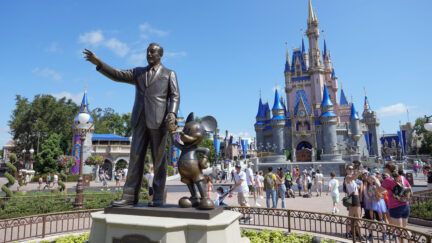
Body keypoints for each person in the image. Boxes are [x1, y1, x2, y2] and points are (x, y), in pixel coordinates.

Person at [84, 43, 180, 207]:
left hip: (159, 121)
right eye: (147, 51)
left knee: (158, 160)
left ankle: (157, 197)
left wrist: (172, 113)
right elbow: (117, 74)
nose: (149, 54)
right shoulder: (138, 72)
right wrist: (99, 63)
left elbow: (175, 96)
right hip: (139, 120)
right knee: (135, 157)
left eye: (153, 52)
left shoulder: (169, 73)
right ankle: (129, 196)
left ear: (160, 55)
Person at [375, 162, 411, 229]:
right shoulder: (402, 178)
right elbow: (410, 190)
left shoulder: (388, 180)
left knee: (399, 230)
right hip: (405, 205)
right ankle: (411, 239)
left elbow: (379, 191)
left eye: (385, 168)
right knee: (404, 228)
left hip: (395, 207)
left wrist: (376, 181)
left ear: (387, 169)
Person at [345, 165, 367, 240]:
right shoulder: (348, 177)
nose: (351, 170)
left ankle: (347, 234)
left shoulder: (351, 179)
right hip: (354, 198)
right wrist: (359, 173)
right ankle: (360, 236)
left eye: (352, 169)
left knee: (351, 217)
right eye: (349, 169)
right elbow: (352, 178)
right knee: (357, 218)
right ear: (346, 170)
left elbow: (353, 186)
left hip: (353, 197)